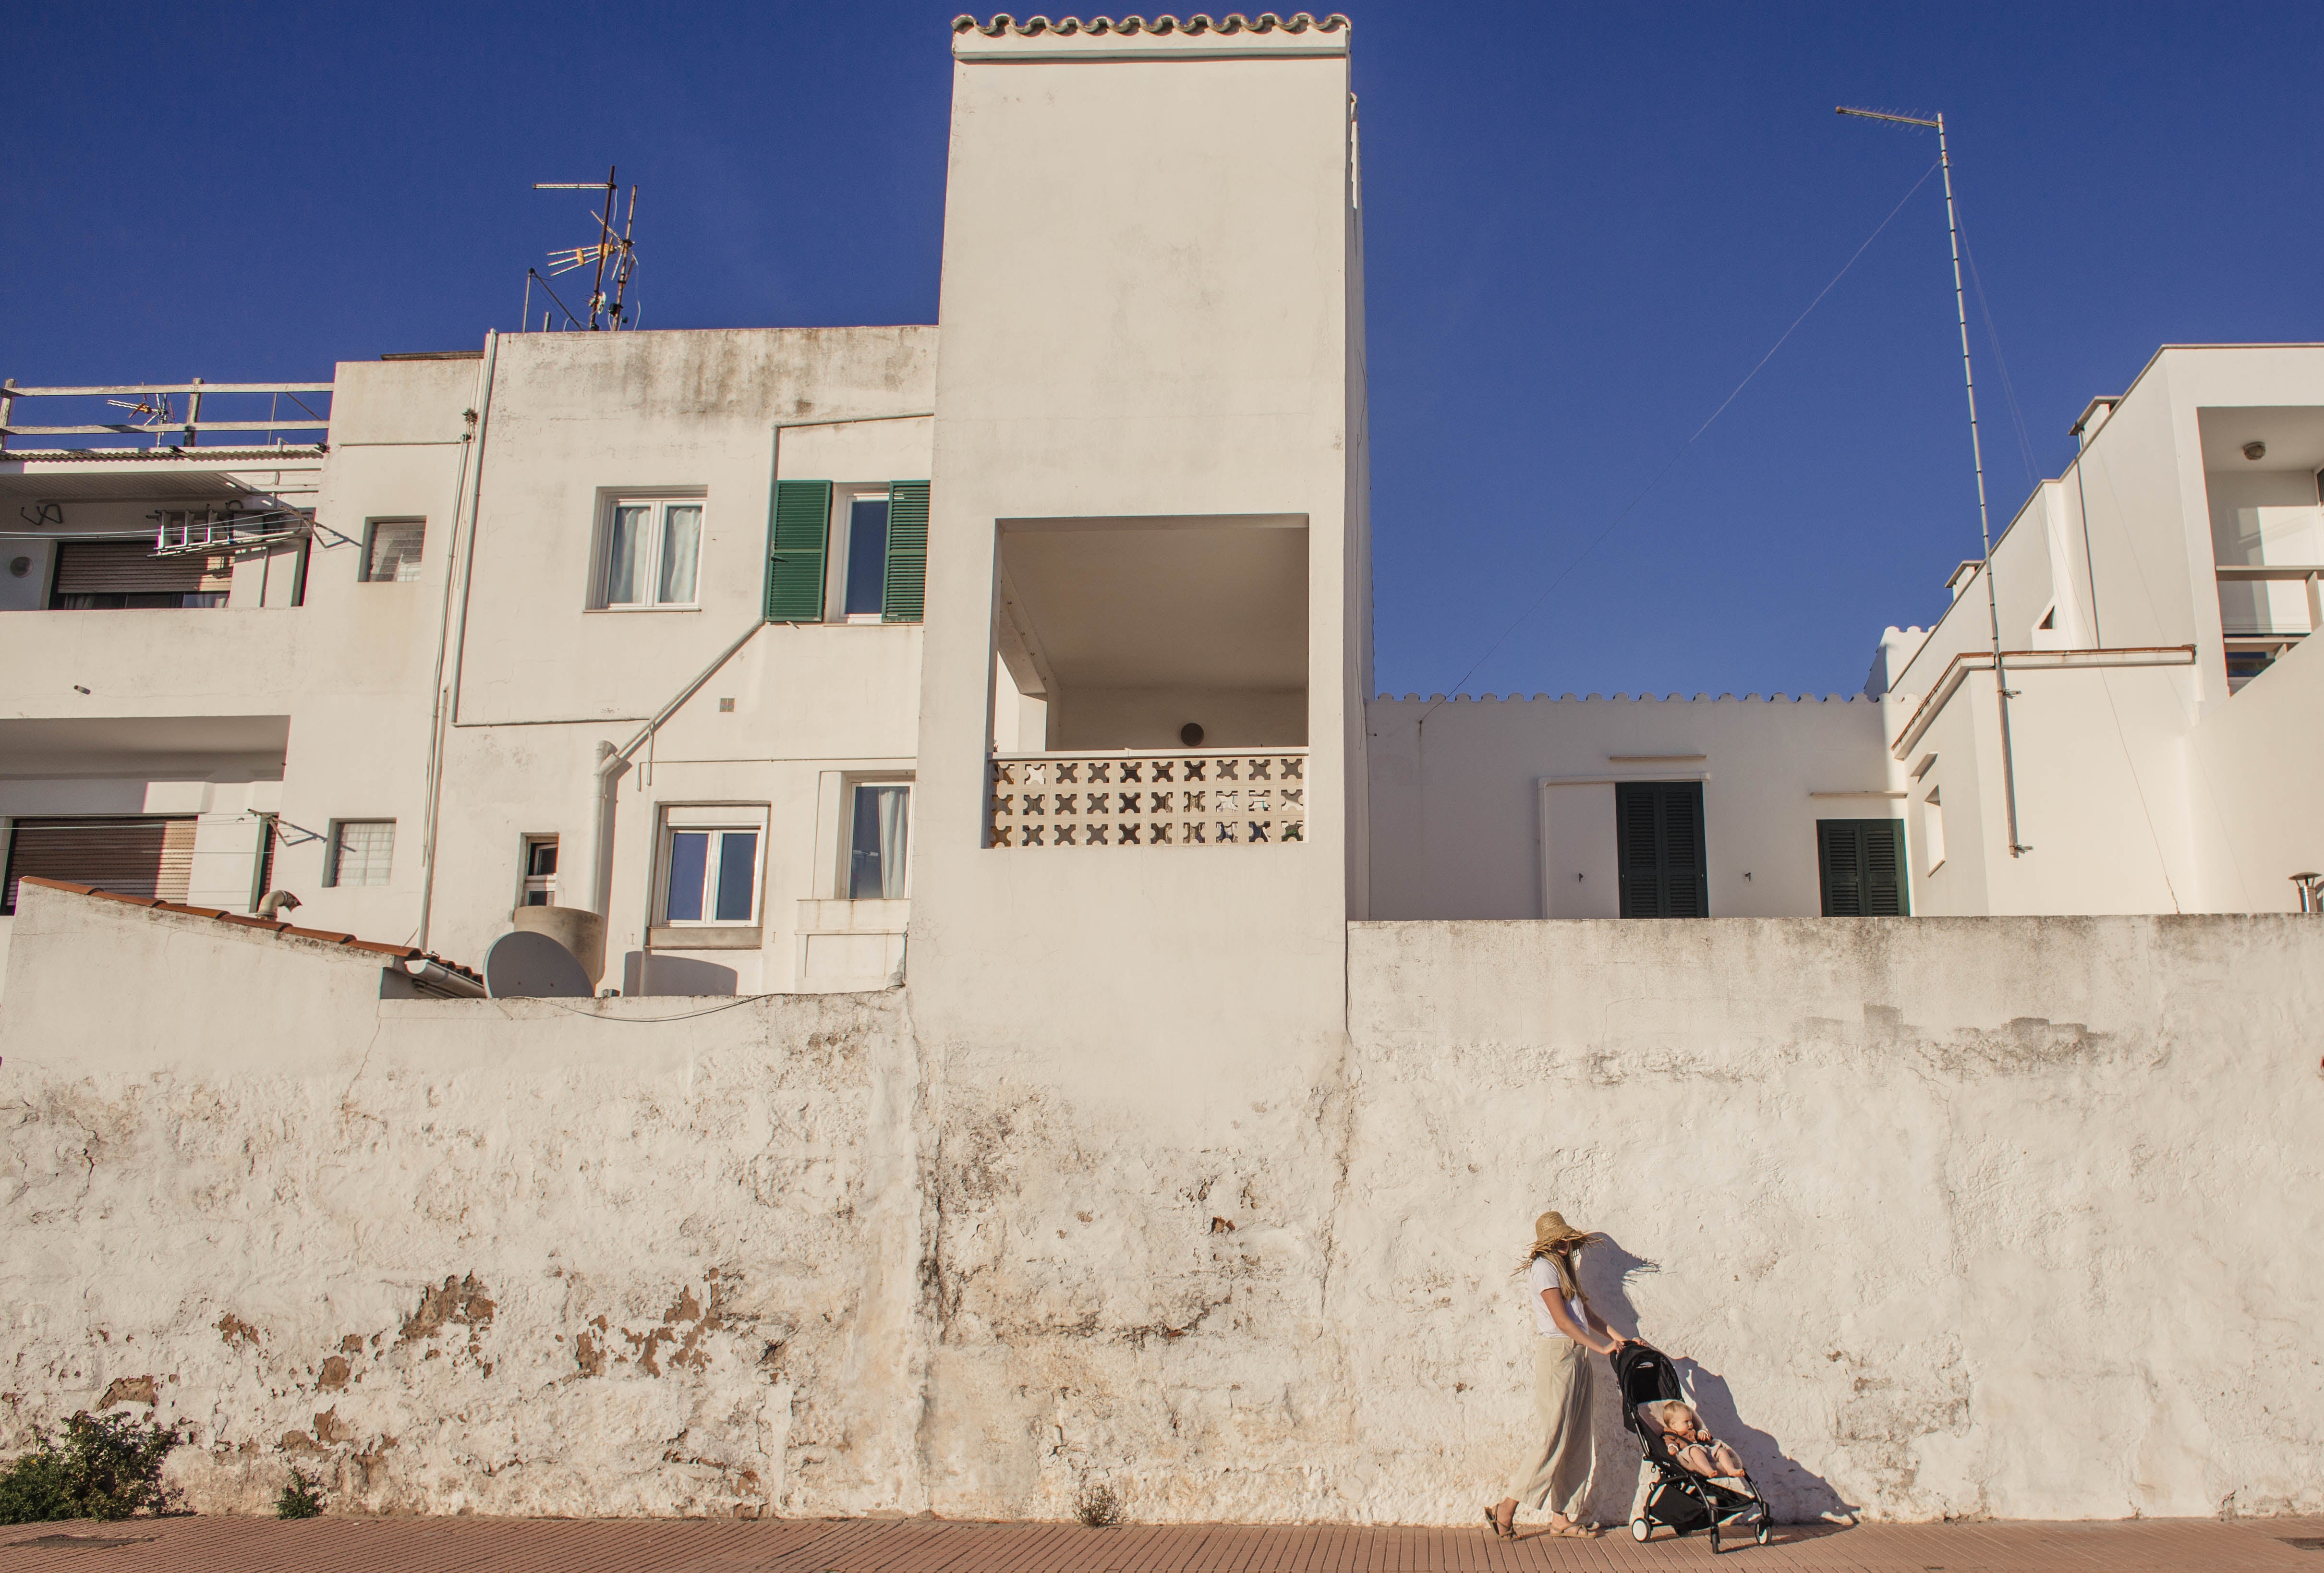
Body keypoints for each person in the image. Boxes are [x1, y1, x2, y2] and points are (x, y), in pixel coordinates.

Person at [1486, 1210, 1628, 1540]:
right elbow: (1562, 1322)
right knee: (1552, 1436)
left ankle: (1561, 1517)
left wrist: (1620, 1339)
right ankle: (1505, 1508)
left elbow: (1585, 1316)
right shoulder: (1542, 1269)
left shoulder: (1564, 1270)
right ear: (1549, 1243)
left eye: (1567, 1238)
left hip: (1577, 1354)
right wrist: (1600, 1348)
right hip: (1559, 1355)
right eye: (1559, 1239)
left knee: (1578, 1437)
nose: (1565, 1243)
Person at [1639, 1399, 1746, 1481]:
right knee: (1695, 1451)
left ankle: (1731, 1469)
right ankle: (1709, 1470)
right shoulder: (1670, 1433)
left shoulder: (1693, 1430)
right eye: (1686, 1422)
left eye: (1691, 1420)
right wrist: (1673, 1448)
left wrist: (1703, 1434)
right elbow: (1670, 1443)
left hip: (1704, 1450)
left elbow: (1703, 1435)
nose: (1691, 1424)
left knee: (1721, 1451)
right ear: (1673, 1425)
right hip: (1688, 1453)